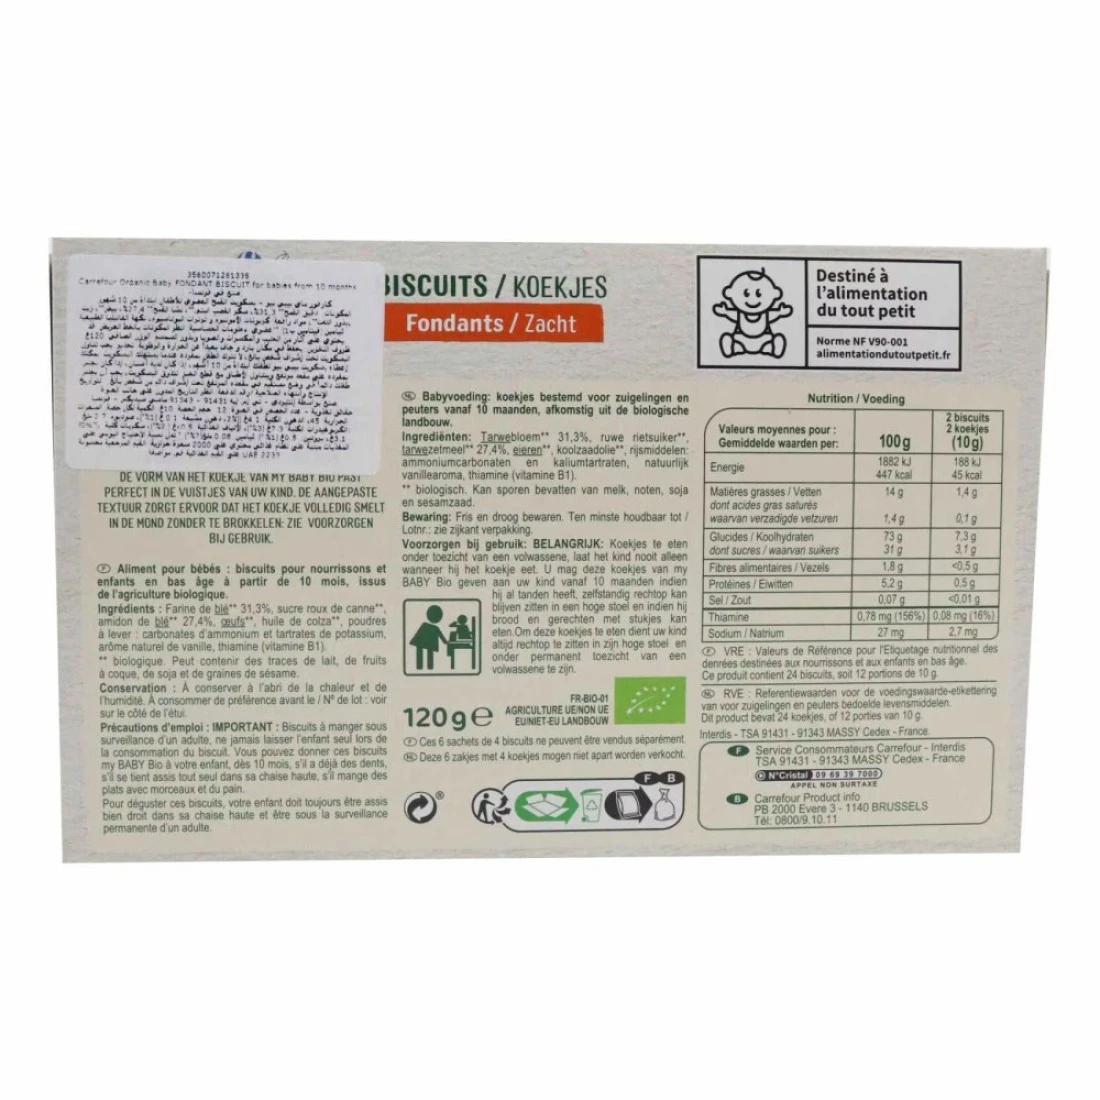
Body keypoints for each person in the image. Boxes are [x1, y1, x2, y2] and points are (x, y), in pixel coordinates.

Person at [409, 605, 446, 670]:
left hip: (420, 642)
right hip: (426, 643)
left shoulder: (425, 625)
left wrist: (445, 642)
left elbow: (419, 633)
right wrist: (446, 642)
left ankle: (420, 666)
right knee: (429, 652)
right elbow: (441, 636)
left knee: (422, 651)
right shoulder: (435, 628)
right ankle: (428, 666)